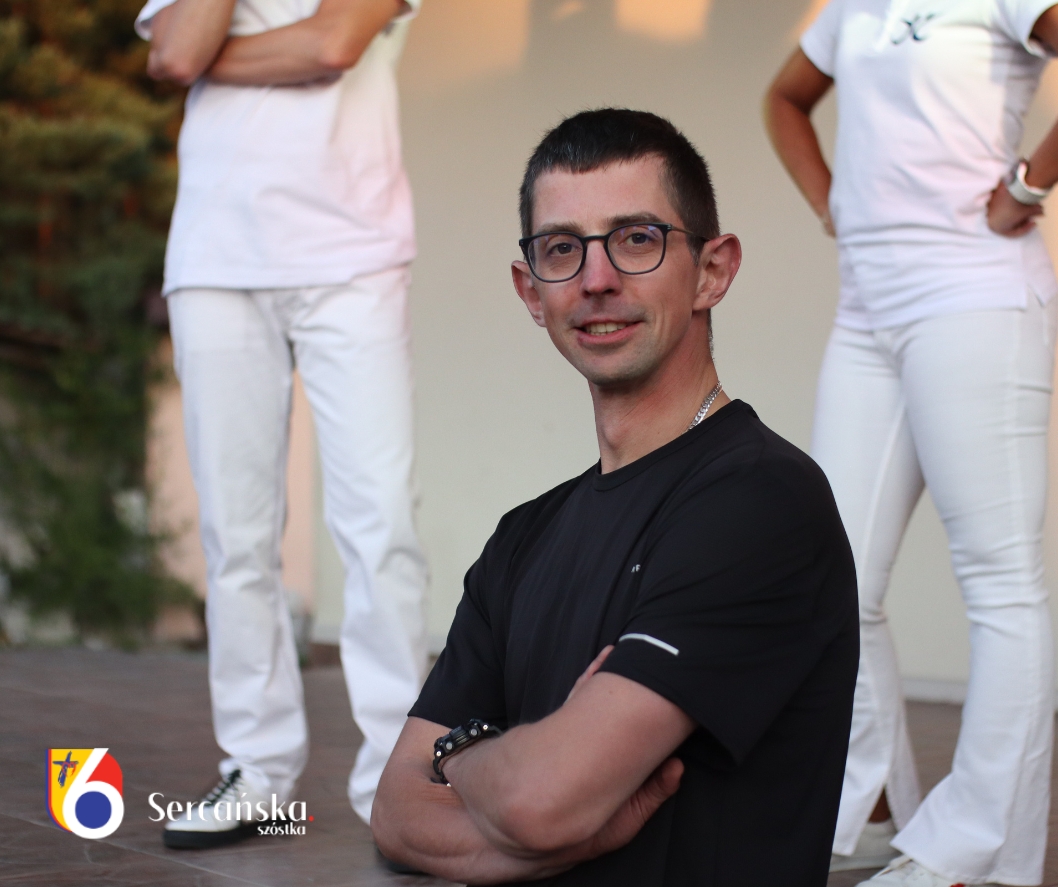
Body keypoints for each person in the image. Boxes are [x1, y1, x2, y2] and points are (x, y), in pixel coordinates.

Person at [370, 108, 860, 887]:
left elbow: (538, 801)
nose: (596, 280)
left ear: (712, 270)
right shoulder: (522, 537)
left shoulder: (763, 501)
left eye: (636, 238)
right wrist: (542, 811)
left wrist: (459, 756)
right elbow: (396, 813)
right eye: (563, 249)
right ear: (532, 292)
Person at [764, 2, 1058, 885]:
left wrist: (1029, 184)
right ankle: (873, 804)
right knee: (833, 572)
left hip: (973, 296)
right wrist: (833, 202)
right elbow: (785, 97)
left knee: (1001, 582)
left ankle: (973, 850)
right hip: (868, 309)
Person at [135, 0, 428, 848]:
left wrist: (214, 57)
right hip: (216, 258)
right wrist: (221, 53)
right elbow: (174, 53)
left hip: (353, 257)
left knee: (379, 523)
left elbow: (334, 43)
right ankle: (257, 770)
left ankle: (399, 779)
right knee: (237, 534)